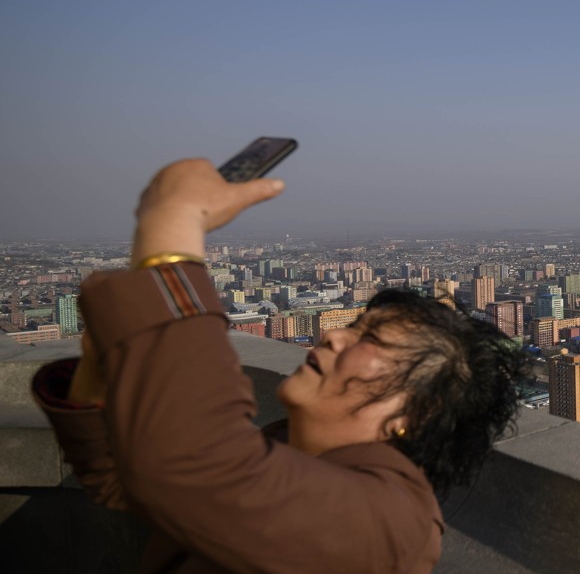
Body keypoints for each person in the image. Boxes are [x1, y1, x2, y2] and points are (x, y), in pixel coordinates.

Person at [32, 159, 527, 573]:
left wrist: (175, 223)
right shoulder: (280, 447)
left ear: (417, 412)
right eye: (354, 324)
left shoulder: (393, 522)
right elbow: (125, 476)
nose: (334, 335)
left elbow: (186, 466)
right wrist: (103, 360)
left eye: (369, 337)